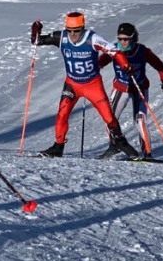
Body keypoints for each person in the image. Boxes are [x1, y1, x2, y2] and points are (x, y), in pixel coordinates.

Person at [30, 12, 137, 159]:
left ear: (83, 28)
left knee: (108, 117)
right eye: (70, 30)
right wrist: (35, 31)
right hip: (72, 84)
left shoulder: (92, 38)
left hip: (92, 85)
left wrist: (125, 64)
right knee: (62, 115)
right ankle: (58, 147)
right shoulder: (61, 37)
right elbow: (36, 42)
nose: (73, 34)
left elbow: (115, 51)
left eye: (76, 30)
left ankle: (120, 142)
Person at [98, 22, 163, 159]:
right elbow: (99, 63)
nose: (123, 42)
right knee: (109, 118)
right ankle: (114, 146)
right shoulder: (113, 50)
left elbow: (159, 65)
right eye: (120, 39)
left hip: (139, 88)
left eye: (126, 39)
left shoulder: (142, 51)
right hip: (121, 88)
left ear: (133, 38)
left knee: (140, 120)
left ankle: (147, 154)